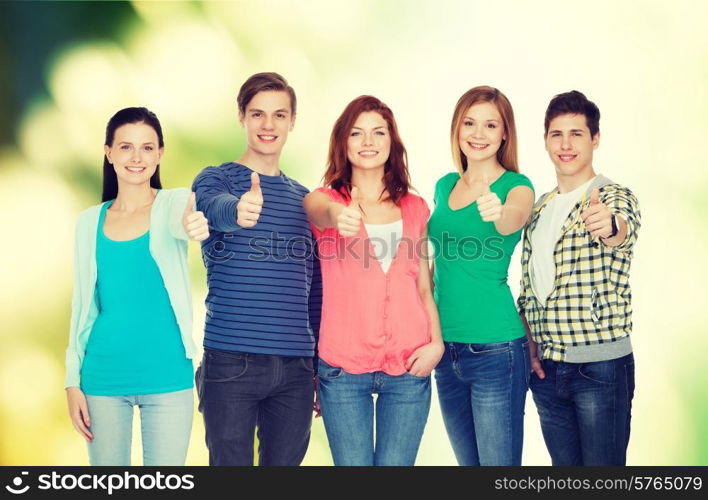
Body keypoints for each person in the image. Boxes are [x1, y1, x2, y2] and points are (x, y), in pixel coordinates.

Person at [64, 107, 209, 466]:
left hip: (168, 375)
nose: (137, 157)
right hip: (102, 377)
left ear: (160, 154)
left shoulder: (172, 203)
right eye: (126, 147)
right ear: (108, 152)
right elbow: (83, 306)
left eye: (147, 148)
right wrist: (72, 380)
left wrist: (199, 223)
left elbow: (192, 212)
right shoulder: (88, 223)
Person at [304, 95, 443, 466]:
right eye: (357, 133)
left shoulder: (415, 208)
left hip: (411, 364)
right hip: (342, 369)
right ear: (343, 143)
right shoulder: (324, 200)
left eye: (378, 132)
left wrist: (437, 344)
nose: (368, 142)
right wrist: (338, 214)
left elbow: (424, 286)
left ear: (391, 142)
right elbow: (318, 212)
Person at [192, 72, 321, 466]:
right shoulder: (217, 178)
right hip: (232, 362)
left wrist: (317, 367)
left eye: (279, 115)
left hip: (296, 369)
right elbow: (211, 207)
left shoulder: (305, 200)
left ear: (292, 121)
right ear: (242, 117)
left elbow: (313, 290)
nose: (269, 125)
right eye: (258, 114)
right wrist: (238, 211)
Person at [518, 90, 641, 466]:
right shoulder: (538, 207)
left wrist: (610, 227)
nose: (566, 144)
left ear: (595, 139)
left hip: (599, 369)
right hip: (547, 371)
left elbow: (623, 230)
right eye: (557, 134)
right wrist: (530, 342)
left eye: (577, 133)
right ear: (545, 141)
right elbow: (530, 283)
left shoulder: (612, 195)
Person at [427, 86, 535, 466]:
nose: (478, 133)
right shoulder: (444, 185)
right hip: (445, 350)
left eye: (490, 125)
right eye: (470, 123)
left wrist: (498, 212)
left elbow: (514, 218)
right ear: (457, 128)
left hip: (496, 350)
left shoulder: (516, 187)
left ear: (505, 133)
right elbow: (435, 265)